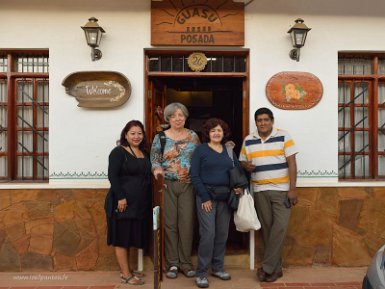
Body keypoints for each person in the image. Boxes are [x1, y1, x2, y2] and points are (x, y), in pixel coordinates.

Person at [239, 107, 298, 283]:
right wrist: (245, 166)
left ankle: (266, 268)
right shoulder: (249, 140)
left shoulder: (283, 135)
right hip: (259, 191)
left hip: (282, 191)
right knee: (267, 231)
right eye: (259, 120)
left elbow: (292, 162)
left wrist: (293, 189)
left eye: (266, 119)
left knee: (279, 229)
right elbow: (242, 160)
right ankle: (276, 269)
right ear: (256, 122)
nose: (263, 123)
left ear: (272, 121)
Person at [190, 118, 243, 288]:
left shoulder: (228, 151)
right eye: (213, 131)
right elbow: (195, 176)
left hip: (225, 198)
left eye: (219, 130)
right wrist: (204, 197)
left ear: (224, 132)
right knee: (208, 234)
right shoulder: (201, 150)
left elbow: (237, 173)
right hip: (206, 197)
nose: (216, 133)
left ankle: (218, 267)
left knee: (222, 234)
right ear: (208, 133)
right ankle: (202, 273)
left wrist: (238, 187)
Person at [150, 102, 200, 279]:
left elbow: (199, 158)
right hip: (167, 185)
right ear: (168, 118)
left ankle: (185, 263)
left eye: (181, 115)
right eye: (174, 115)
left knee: (186, 223)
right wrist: (157, 171)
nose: (178, 118)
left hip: (188, 185)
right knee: (169, 223)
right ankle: (172, 263)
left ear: (185, 117)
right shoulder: (160, 137)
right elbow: (155, 159)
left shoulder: (193, 136)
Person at [105, 120, 152, 285]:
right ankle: (126, 274)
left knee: (130, 237)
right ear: (125, 134)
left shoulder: (144, 152)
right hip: (122, 203)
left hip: (139, 205)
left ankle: (128, 270)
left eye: (139, 133)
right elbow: (113, 176)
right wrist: (121, 197)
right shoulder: (118, 152)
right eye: (133, 133)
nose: (136, 136)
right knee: (121, 238)